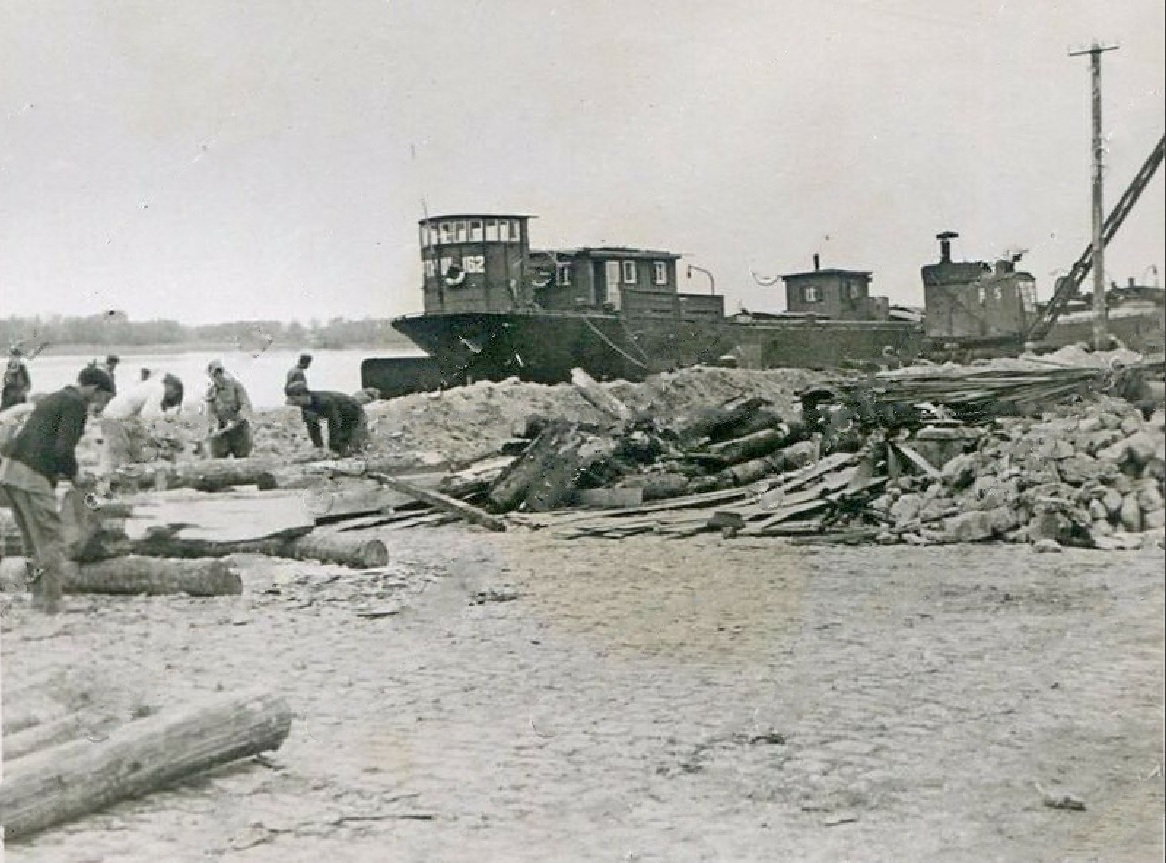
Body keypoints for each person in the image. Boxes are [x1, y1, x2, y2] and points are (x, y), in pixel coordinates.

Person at [0, 365, 115, 613]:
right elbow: (63, 450)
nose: (102, 405)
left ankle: (38, 598)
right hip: (32, 475)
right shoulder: (75, 404)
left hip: (10, 471)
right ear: (94, 389)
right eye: (104, 398)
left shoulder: (54, 397)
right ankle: (52, 602)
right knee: (50, 539)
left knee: (31, 542)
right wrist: (76, 475)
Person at [99, 373, 185, 475]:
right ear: (173, 388)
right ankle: (109, 477)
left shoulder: (151, 385)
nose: (172, 396)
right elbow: (147, 414)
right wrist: (163, 420)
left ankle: (116, 475)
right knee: (118, 451)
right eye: (175, 393)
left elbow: (143, 415)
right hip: (115, 417)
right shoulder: (159, 389)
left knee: (124, 449)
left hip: (117, 415)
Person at [287, 387, 368, 457]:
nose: (290, 401)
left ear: (302, 395)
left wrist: (333, 446)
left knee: (355, 445)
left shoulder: (324, 401)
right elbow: (313, 426)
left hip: (354, 412)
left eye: (292, 398)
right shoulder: (305, 406)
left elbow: (335, 423)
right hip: (341, 415)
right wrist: (319, 448)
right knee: (340, 449)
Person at [203, 360, 253, 458]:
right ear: (211, 376)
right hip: (221, 430)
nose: (218, 376)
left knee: (242, 459)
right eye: (214, 374)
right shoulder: (211, 391)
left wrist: (239, 417)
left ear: (223, 372)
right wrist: (212, 427)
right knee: (217, 460)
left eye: (219, 372)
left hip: (239, 429)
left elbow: (245, 404)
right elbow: (210, 412)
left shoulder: (236, 386)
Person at [2, 346, 32, 411]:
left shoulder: (22, 369)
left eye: (17, 357)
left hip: (20, 399)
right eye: (12, 357)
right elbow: (5, 384)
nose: (15, 359)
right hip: (8, 399)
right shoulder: (7, 369)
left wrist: (23, 391)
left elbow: (28, 384)